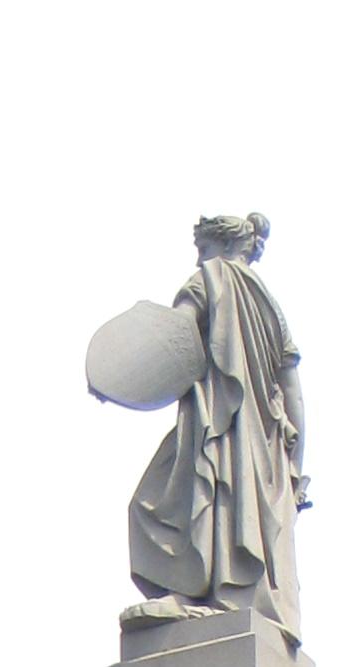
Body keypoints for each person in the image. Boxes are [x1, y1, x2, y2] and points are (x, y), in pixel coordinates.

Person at [124, 213, 309, 633]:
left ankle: (196, 594)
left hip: (216, 423)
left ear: (222, 247)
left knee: (152, 506)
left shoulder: (209, 280)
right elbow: (293, 389)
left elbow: (173, 338)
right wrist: (297, 464)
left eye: (202, 250)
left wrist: (124, 380)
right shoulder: (272, 309)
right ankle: (228, 601)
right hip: (267, 441)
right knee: (241, 512)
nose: (198, 261)